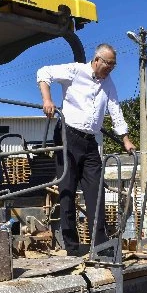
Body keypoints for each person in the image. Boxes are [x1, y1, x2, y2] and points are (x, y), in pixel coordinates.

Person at [36, 43, 136, 256]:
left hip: (90, 141)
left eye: (114, 66)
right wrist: (47, 99)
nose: (110, 69)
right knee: (67, 191)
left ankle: (100, 245)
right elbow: (44, 72)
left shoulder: (108, 83)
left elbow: (115, 110)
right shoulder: (75, 71)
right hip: (67, 137)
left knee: (96, 192)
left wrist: (125, 139)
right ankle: (71, 247)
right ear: (97, 60)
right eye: (109, 64)